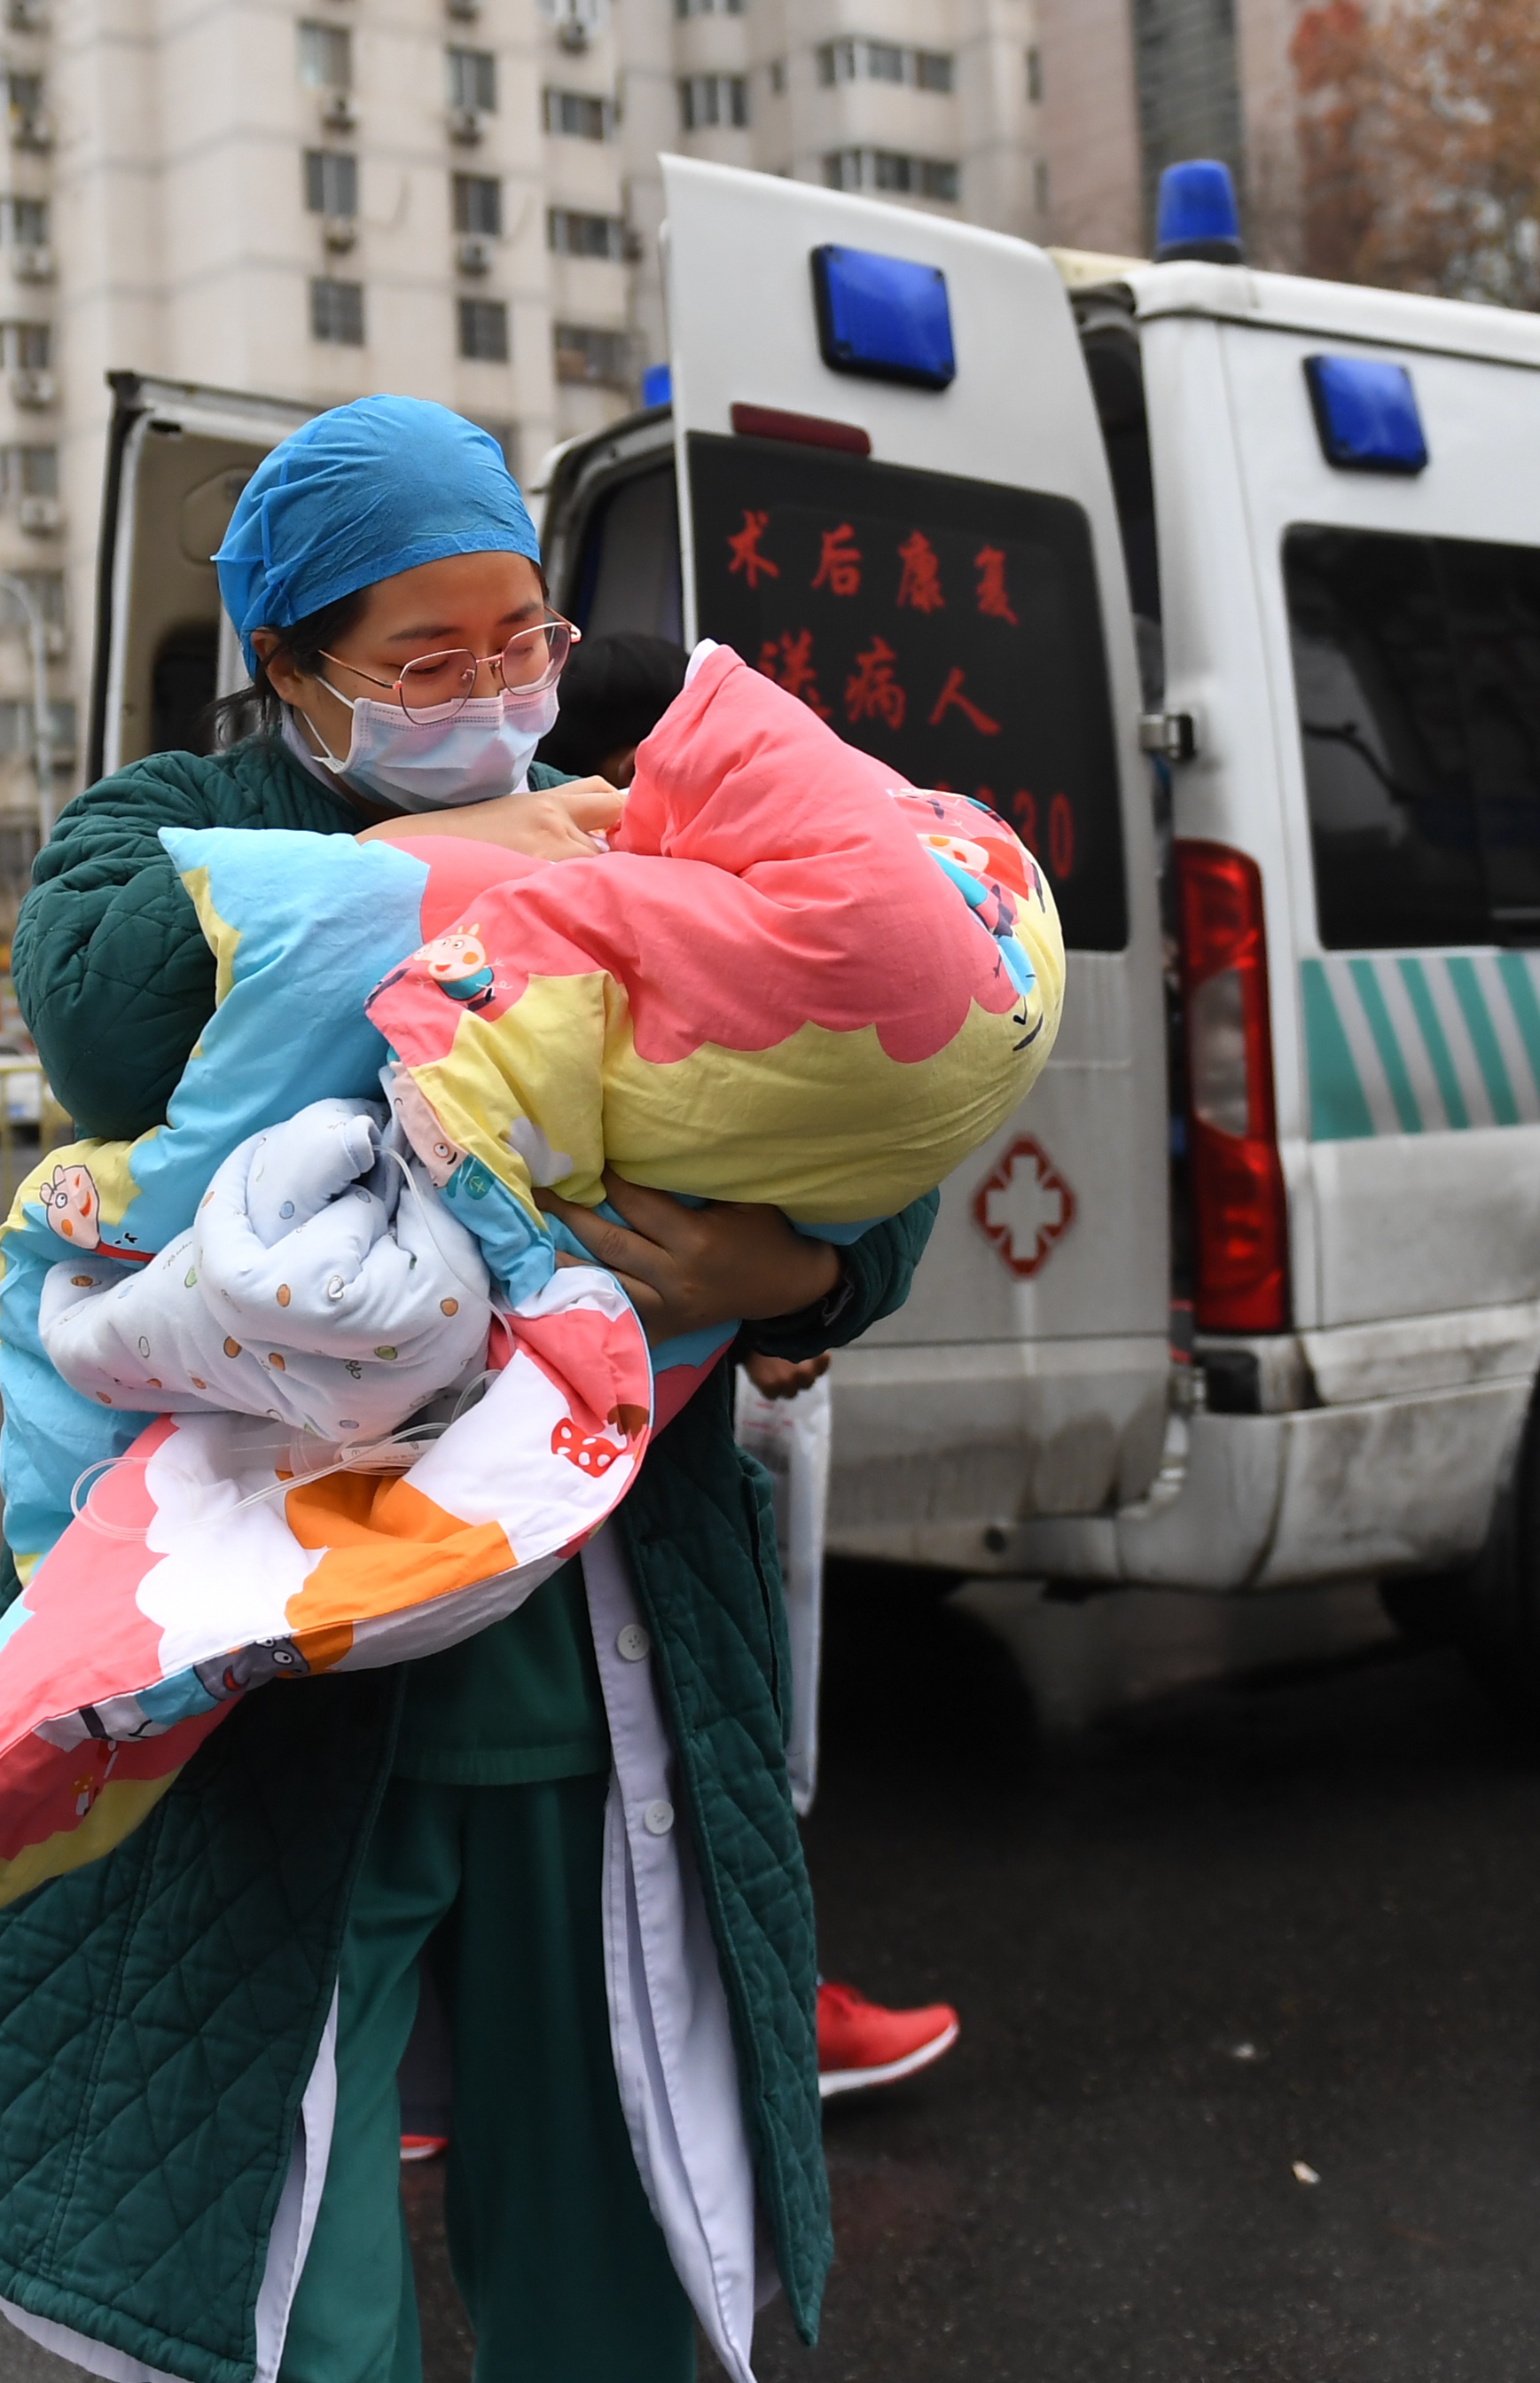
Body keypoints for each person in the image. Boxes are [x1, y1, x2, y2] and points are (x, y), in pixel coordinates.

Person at [0, 396, 932, 2383]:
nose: (495, 693)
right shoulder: (175, 819)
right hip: (280, 1700)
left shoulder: (636, 806)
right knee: (297, 2277)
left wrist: (796, 1274)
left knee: (614, 2232)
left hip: (591, 1668)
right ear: (294, 672)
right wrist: (434, 858)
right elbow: (103, 1023)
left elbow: (870, 1092)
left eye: (521, 639)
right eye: (425, 663)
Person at [547, 633, 962, 2104]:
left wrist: (799, 1290)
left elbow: (893, 1154)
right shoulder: (541, 907)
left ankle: (771, 2006)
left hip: (703, 1421)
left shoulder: (784, 889)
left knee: (735, 1721)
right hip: (548, 1441)